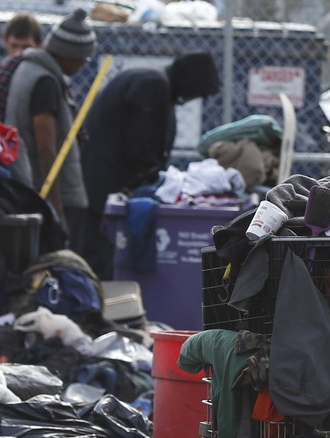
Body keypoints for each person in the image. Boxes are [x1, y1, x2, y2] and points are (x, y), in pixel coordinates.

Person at [76, 52, 222, 277]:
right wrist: (155, 178)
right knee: (98, 256)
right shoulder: (153, 85)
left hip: (100, 178)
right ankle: (91, 307)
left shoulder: (152, 81)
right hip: (104, 183)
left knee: (98, 252)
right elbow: (140, 144)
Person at [0, 8, 96, 235]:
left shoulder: (26, 68)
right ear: (68, 54)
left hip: (24, 184)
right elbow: (46, 149)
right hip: (41, 189)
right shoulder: (45, 82)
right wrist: (55, 211)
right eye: (83, 59)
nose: (83, 65)